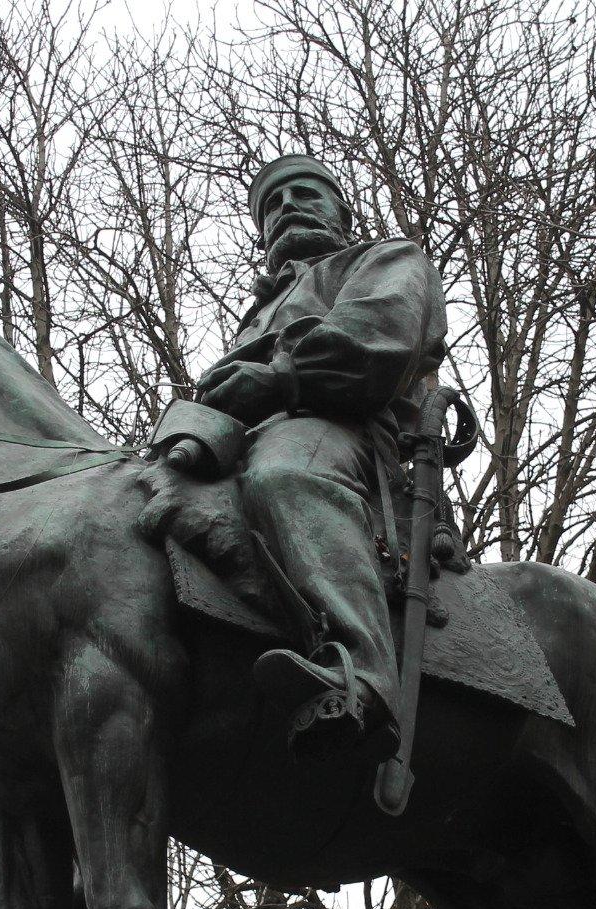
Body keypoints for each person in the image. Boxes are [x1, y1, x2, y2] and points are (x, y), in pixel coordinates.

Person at [187, 154, 449, 759]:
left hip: (341, 428)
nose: (286, 210)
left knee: (287, 476)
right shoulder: (258, 313)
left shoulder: (384, 259)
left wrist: (281, 378)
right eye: (272, 207)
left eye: (304, 195)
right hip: (237, 442)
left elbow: (379, 340)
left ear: (341, 211)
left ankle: (361, 673)